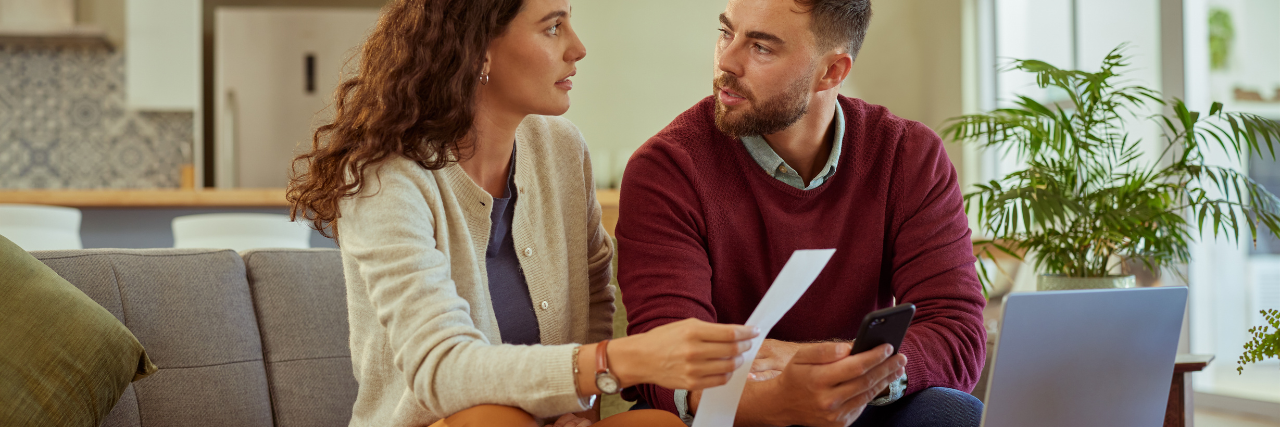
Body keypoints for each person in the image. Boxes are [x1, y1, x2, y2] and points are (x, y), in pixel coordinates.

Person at [286, 0, 759, 426]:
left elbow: (595, 294)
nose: (578, 47)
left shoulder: (561, 147)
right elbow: (443, 368)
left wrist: (580, 407)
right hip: (443, 421)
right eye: (553, 27)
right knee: (488, 419)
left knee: (661, 425)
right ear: (478, 52)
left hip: (548, 419)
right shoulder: (386, 179)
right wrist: (616, 362)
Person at [616, 0, 988, 426]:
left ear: (832, 72)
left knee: (954, 414)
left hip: (857, 405)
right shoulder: (667, 169)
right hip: (730, 407)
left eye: (761, 47)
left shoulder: (908, 156)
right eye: (726, 33)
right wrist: (776, 394)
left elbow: (956, 330)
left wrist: (825, 366)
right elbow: (660, 357)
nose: (727, 61)